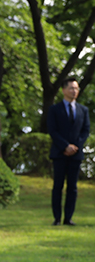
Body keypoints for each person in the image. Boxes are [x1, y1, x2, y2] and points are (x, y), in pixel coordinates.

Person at [48, 77, 90, 226]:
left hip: (76, 154)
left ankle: (68, 217)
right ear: (64, 90)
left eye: (76, 89)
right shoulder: (54, 109)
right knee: (58, 186)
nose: (74, 91)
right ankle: (57, 218)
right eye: (71, 88)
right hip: (59, 153)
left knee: (72, 187)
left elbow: (85, 131)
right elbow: (52, 130)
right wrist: (65, 146)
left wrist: (75, 147)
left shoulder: (83, 110)